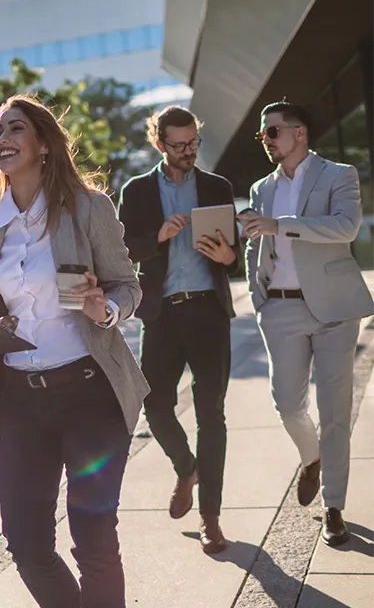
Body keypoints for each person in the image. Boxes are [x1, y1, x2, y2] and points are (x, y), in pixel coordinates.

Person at [0, 94, 149, 608]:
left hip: (90, 391)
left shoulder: (87, 207)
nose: (2, 139)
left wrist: (105, 309)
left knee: (93, 536)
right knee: (25, 541)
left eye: (14, 128)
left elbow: (127, 286)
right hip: (21, 401)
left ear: (43, 143)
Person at [240, 100, 374, 547]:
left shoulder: (339, 175)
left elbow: (345, 228)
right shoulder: (261, 187)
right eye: (262, 135)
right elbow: (256, 241)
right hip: (279, 308)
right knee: (287, 404)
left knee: (335, 411)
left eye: (271, 132)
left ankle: (332, 506)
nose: (265, 140)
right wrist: (258, 295)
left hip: (334, 308)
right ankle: (311, 455)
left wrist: (281, 224)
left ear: (298, 132)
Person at [117, 106, 241, 554]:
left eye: (193, 143)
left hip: (209, 312)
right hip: (163, 314)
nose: (188, 152)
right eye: (179, 145)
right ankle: (187, 467)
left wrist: (228, 257)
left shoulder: (217, 187)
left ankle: (211, 517)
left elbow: (236, 257)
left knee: (212, 415)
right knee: (154, 404)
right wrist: (161, 237)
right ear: (159, 144)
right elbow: (125, 248)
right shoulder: (136, 191)